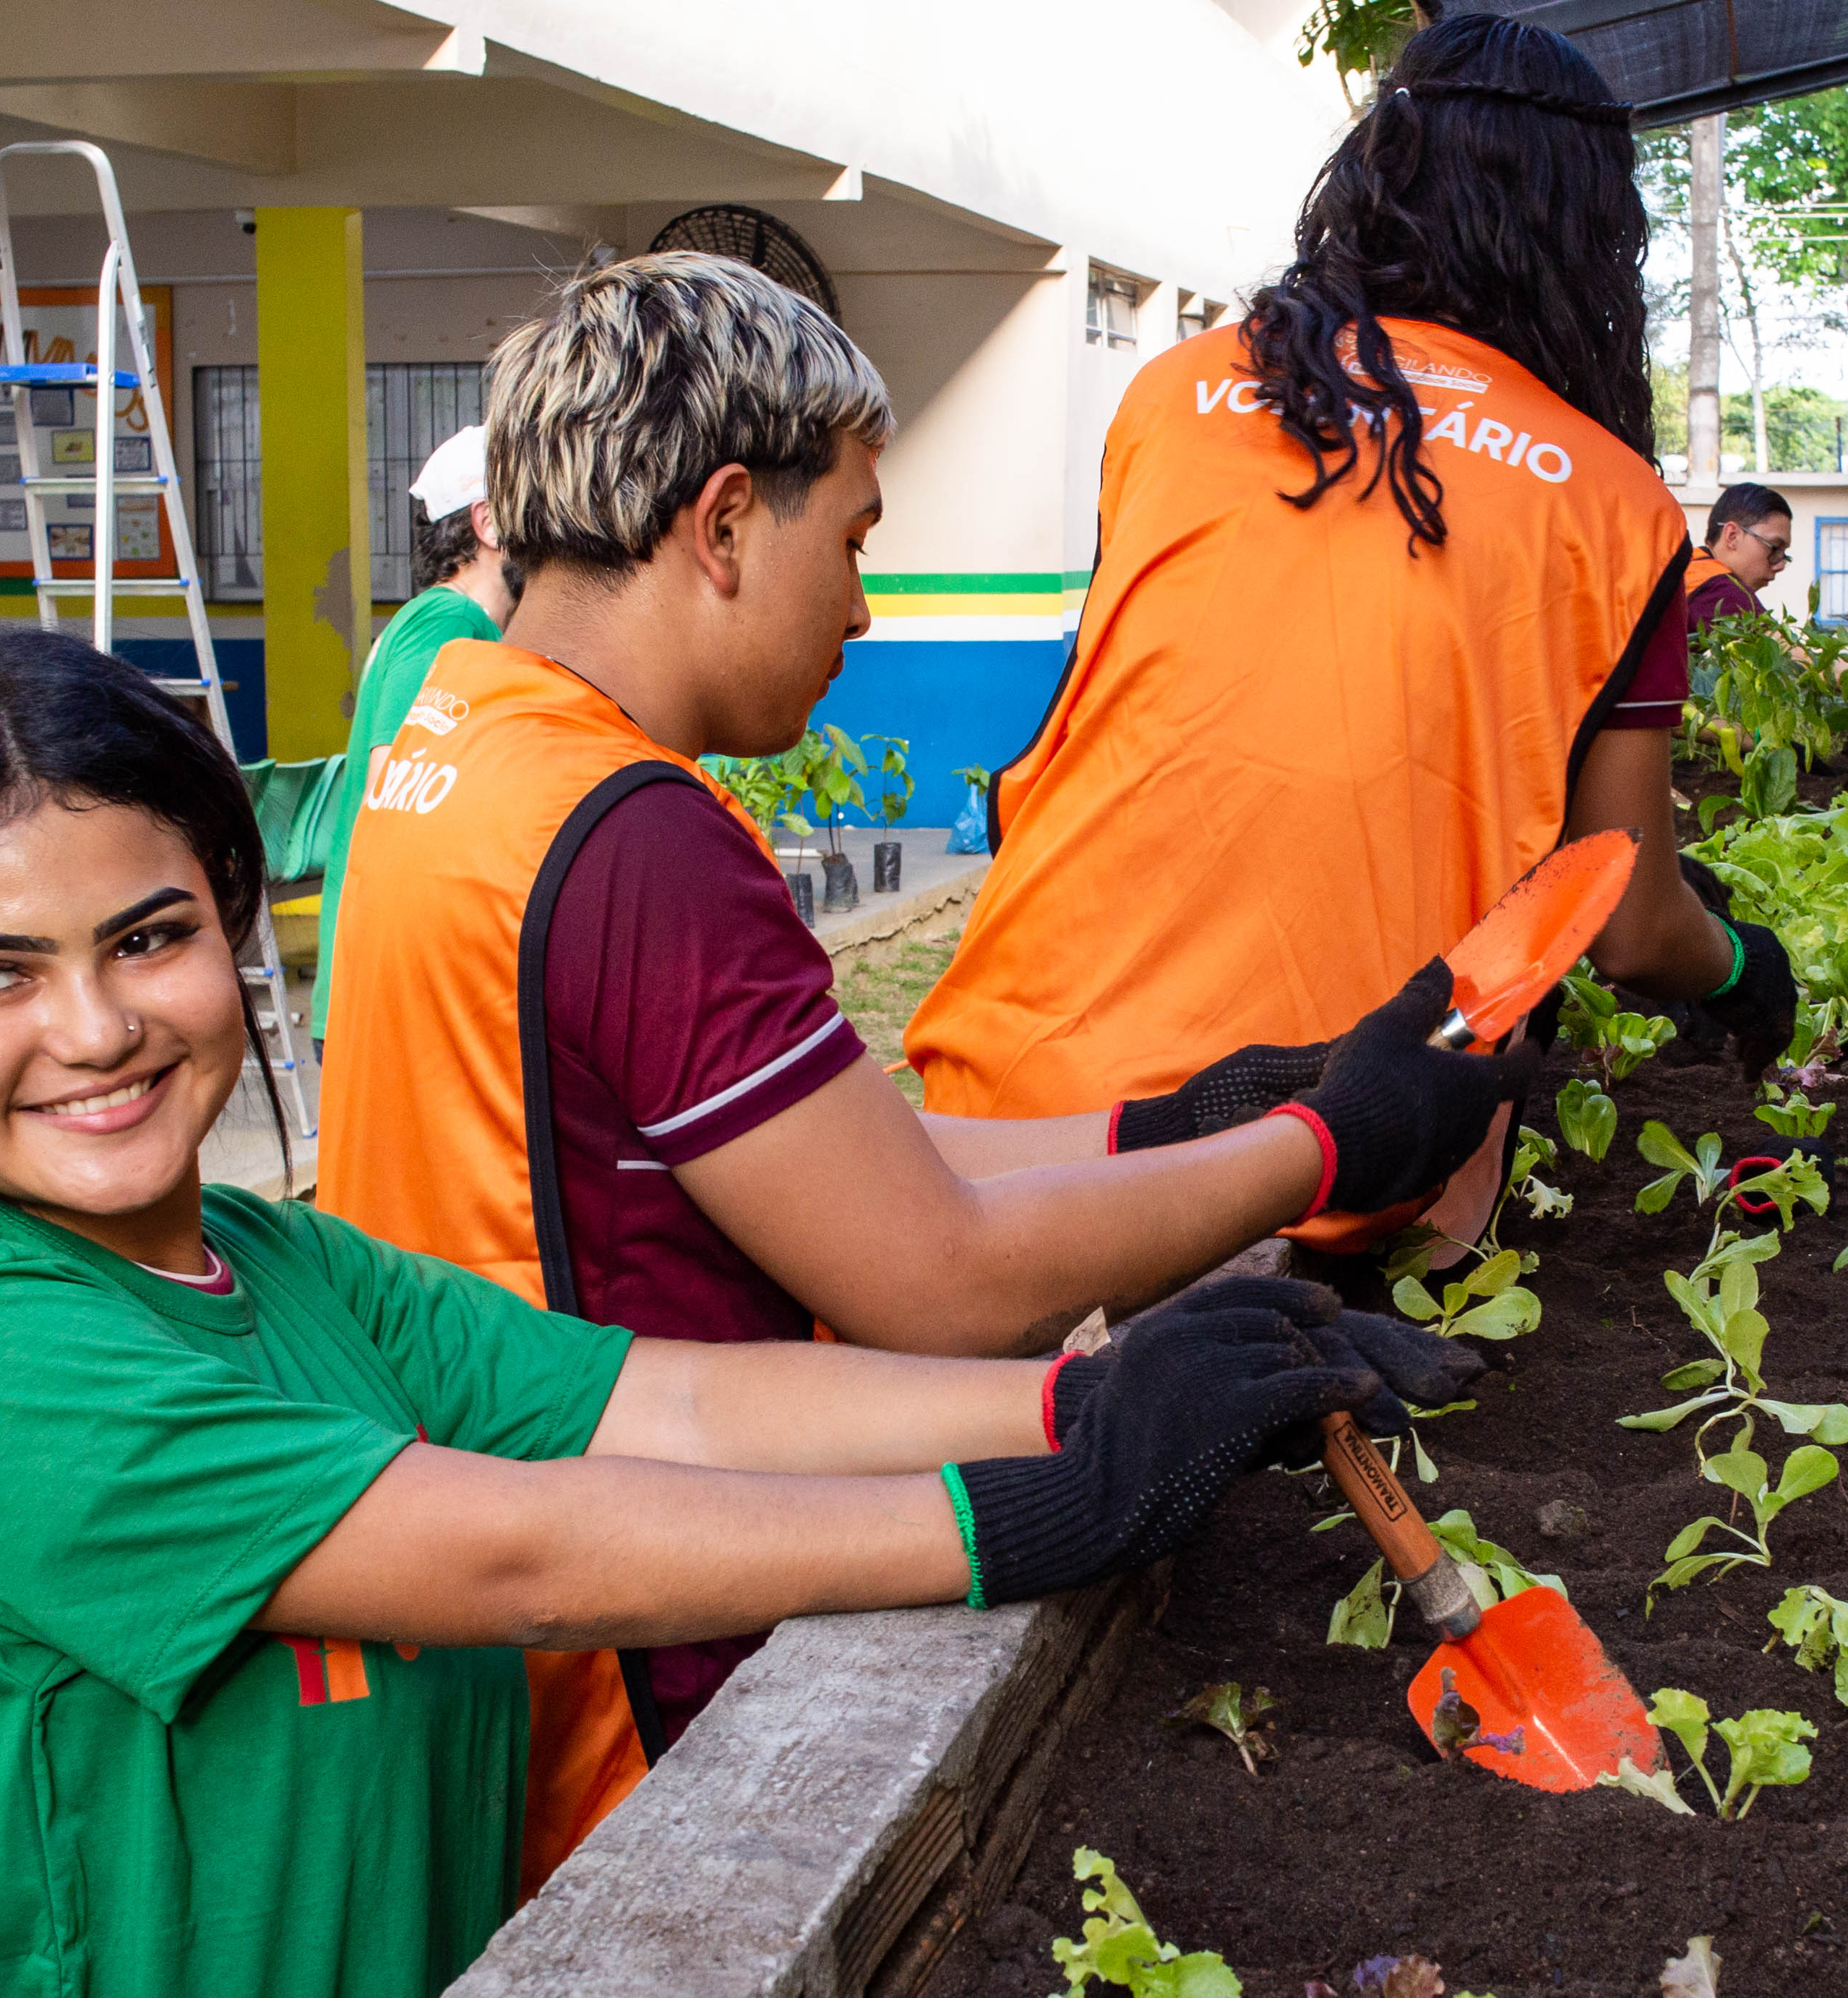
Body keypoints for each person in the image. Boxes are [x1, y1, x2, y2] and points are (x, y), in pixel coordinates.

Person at [0, 627, 1480, 1998]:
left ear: (235, 929)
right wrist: (1051, 1503)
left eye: (149, 937)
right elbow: (517, 1551)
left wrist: (1088, 1405)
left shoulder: (276, 1260)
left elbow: (668, 1403)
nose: (95, 1026)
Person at [317, 250, 1525, 1852]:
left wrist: (1181, 1120)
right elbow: (934, 1273)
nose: (869, 604)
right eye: (858, 537)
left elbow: (833, 1161)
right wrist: (1330, 1145)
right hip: (638, 1679)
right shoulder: (635, 842)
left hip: (478, 1624)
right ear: (728, 521)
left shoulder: (456, 738)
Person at [903, 14, 1799, 1239]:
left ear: (1372, 180)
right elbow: (1632, 932)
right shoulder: (1610, 504)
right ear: (1585, 233)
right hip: (1315, 1163)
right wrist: (1747, 969)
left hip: (994, 1119)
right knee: (1503, 1012)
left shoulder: (1172, 394)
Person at [313, 425, 513, 1039]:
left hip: (379, 991)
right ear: (488, 523)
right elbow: (395, 790)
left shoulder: (447, 624)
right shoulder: (445, 621)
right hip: (387, 999)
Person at [1685, 480, 1790, 625]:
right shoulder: (1723, 594)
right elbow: (1787, 648)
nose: (1780, 566)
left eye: (1784, 554)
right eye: (1774, 548)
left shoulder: (1685, 567)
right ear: (1732, 536)